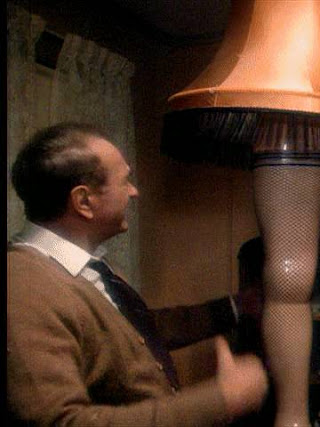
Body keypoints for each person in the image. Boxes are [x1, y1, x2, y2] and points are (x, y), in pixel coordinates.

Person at [7, 122, 269, 425]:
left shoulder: (79, 268)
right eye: (124, 181)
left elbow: (131, 338)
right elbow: (62, 422)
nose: (134, 192)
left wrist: (233, 307)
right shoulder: (23, 286)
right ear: (84, 201)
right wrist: (222, 399)